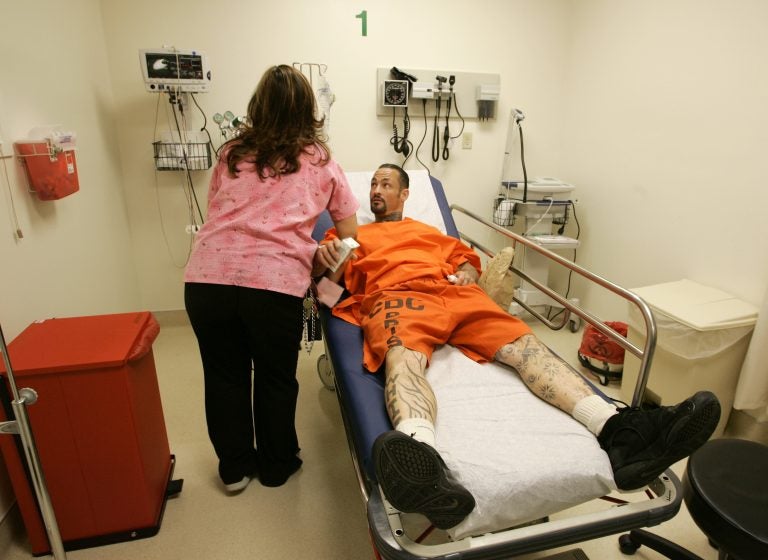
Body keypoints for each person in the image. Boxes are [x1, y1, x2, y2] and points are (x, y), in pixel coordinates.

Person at [319, 163, 721, 530]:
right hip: (397, 297)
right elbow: (326, 293)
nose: (375, 189)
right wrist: (331, 259)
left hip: (454, 295)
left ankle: (620, 431)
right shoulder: (351, 233)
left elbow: (465, 262)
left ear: (405, 194)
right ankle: (424, 465)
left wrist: (463, 273)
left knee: (525, 347)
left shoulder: (432, 232)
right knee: (403, 358)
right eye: (371, 184)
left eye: (385, 184)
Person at [184, 65, 359, 493]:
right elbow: (351, 234)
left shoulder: (231, 154)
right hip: (274, 283)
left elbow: (218, 214)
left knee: (224, 375)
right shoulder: (321, 161)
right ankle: (277, 466)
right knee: (275, 376)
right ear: (308, 109)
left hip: (208, 279)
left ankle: (234, 469)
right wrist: (321, 257)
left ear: (258, 106)